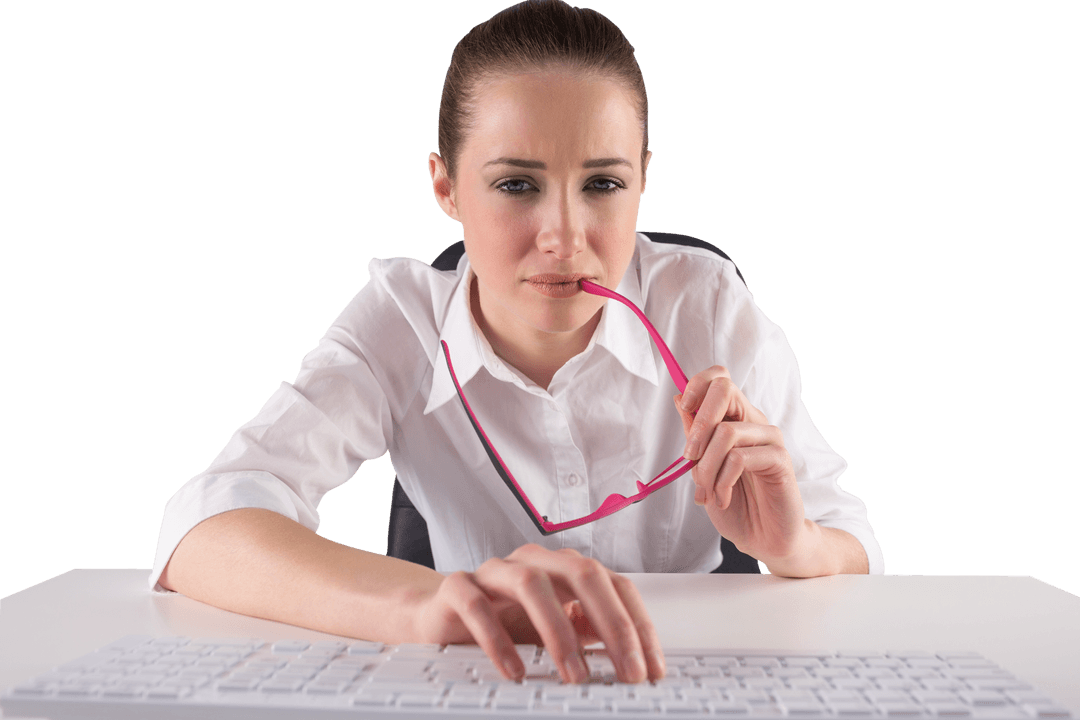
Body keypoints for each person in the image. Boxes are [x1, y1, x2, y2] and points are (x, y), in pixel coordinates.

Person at [152, 0, 884, 687]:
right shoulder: (404, 321)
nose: (564, 238)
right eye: (515, 186)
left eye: (602, 183)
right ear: (445, 187)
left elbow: (856, 548)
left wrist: (797, 549)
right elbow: (201, 527)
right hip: (477, 679)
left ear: (643, 183)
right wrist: (424, 607)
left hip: (680, 679)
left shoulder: (708, 305)